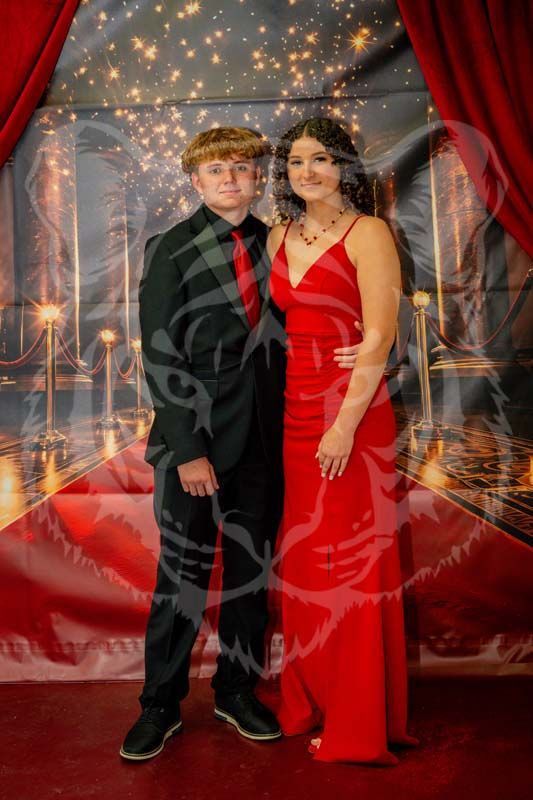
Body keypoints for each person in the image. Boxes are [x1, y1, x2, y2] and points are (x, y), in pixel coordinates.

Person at [120, 126, 359, 761]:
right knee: (183, 577)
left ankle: (236, 690)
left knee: (250, 577)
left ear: (258, 179)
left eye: (242, 170)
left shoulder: (279, 242)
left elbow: (308, 317)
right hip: (191, 446)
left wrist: (360, 346)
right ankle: (159, 705)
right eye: (216, 171)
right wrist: (188, 448)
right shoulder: (170, 249)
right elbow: (161, 354)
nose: (230, 179)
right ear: (195, 181)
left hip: (263, 439)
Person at [267, 117, 418, 764]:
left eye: (321, 159)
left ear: (345, 167)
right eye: (296, 161)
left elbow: (379, 337)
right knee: (305, 560)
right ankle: (309, 699)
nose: (308, 171)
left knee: (350, 563)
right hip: (293, 411)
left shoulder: (370, 232)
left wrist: (342, 425)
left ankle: (358, 719)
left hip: (349, 415)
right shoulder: (277, 233)